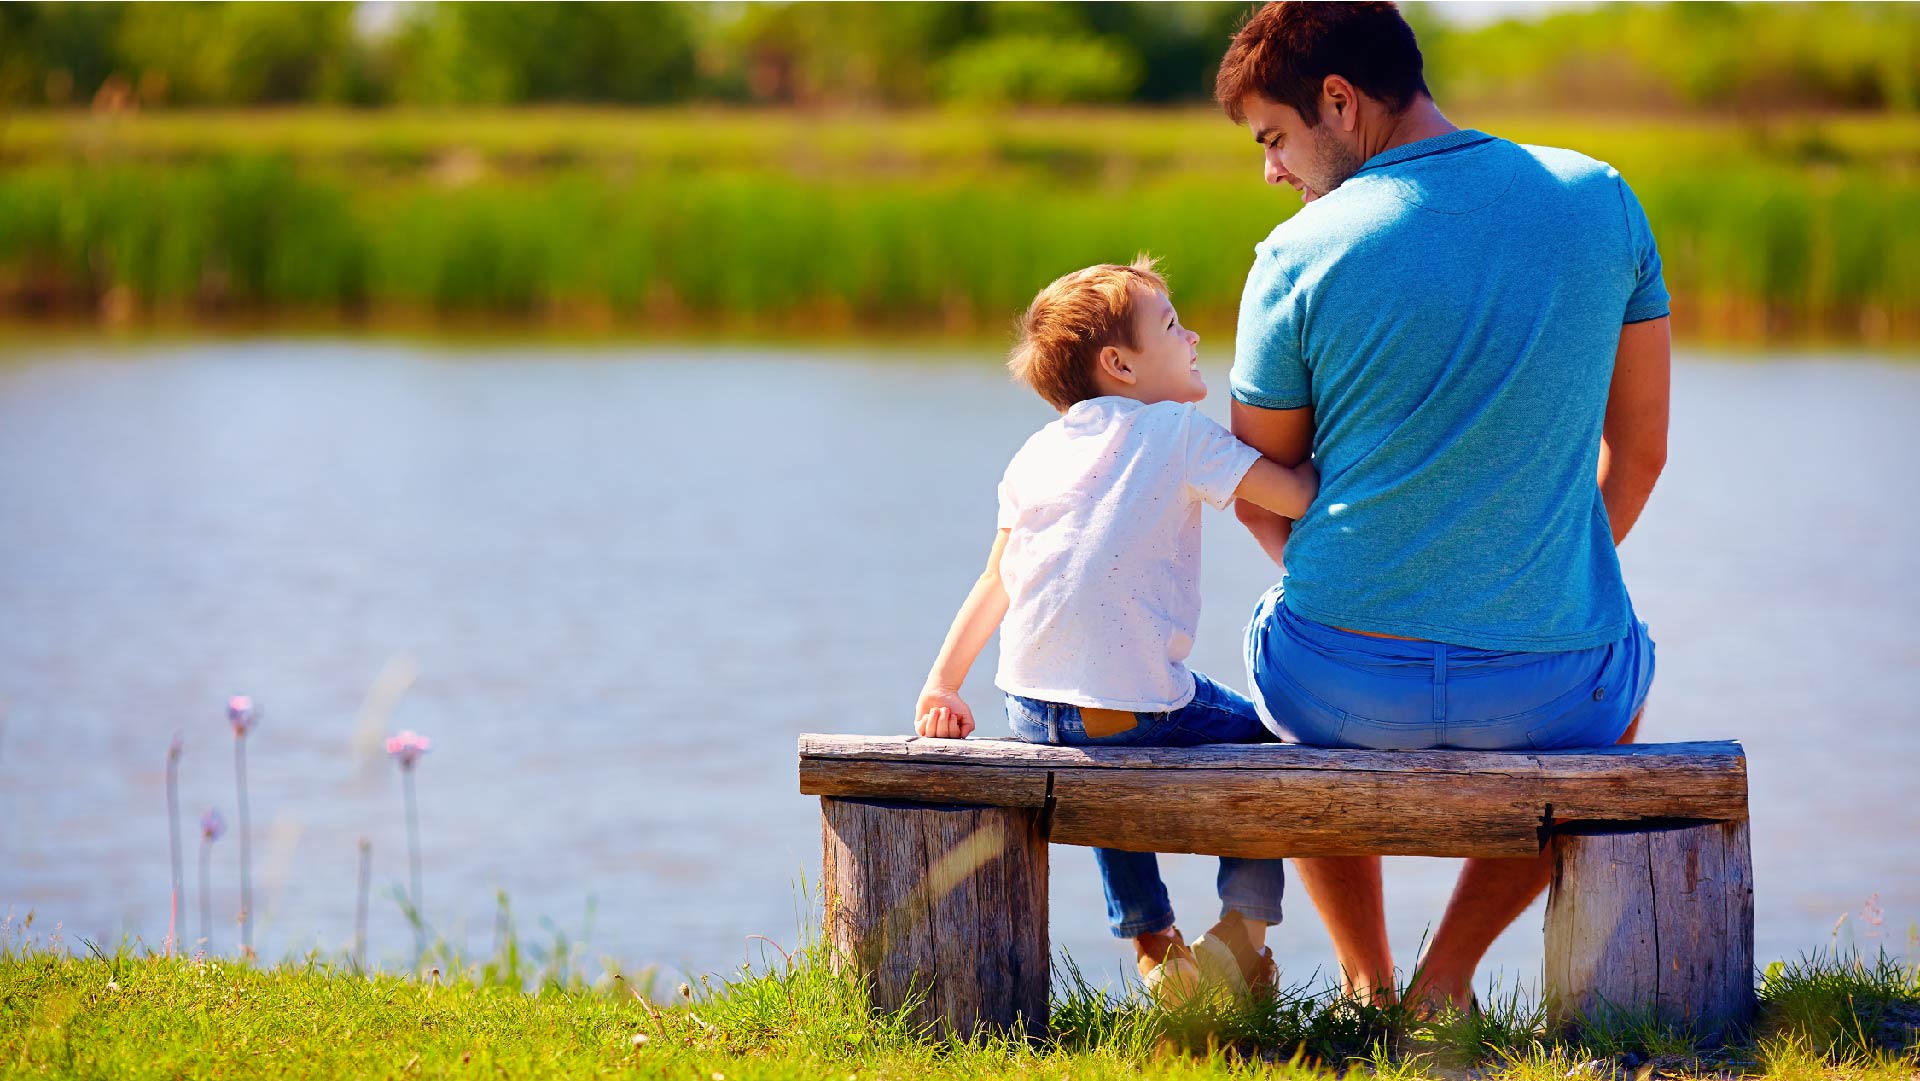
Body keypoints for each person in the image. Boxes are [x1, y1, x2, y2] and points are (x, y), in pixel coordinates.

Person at [1215, 1, 1671, 1012]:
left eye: (1275, 138)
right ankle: (1446, 983)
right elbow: (1639, 457)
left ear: (1339, 101)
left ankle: (1367, 985)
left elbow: (1255, 490)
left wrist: (1369, 591)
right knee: (1628, 664)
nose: (1272, 170)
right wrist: (1532, 582)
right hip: (1554, 689)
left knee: (1279, 669)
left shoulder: (1296, 254)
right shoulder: (1601, 198)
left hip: (1335, 680)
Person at [910, 256, 1317, 1003]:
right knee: (1268, 741)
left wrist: (942, 682)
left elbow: (995, 579)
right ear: (1120, 364)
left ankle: (1153, 943)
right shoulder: (1178, 432)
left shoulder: (1035, 452)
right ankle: (1243, 933)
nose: (1193, 335)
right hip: (1124, 709)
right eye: (1171, 324)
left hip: (1030, 709)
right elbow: (1293, 492)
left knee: (1099, 740)